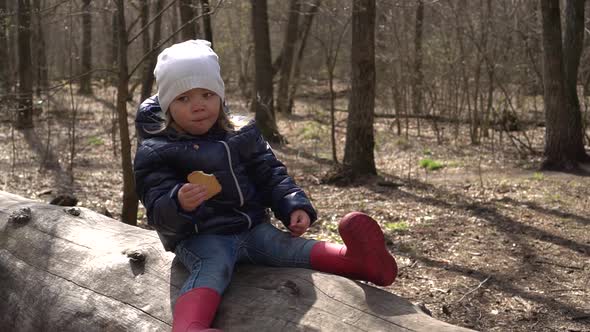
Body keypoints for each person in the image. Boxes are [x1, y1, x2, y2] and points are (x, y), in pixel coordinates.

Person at [133, 39, 397, 332]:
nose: (198, 106)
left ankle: (360, 261)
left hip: (253, 229)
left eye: (207, 94)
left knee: (291, 247)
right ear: (168, 106)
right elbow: (156, 205)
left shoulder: (240, 132)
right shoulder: (157, 149)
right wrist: (178, 201)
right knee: (213, 268)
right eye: (183, 99)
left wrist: (293, 203)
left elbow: (270, 172)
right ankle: (189, 326)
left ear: (220, 96)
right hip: (201, 238)